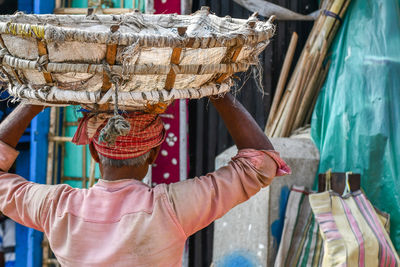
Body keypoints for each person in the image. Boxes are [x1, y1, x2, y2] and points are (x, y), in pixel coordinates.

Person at [0, 93, 290, 266]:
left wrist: (35, 102)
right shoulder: (171, 209)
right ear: (154, 155)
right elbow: (260, 163)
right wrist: (218, 91)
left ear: (93, 152)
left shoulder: (57, 208)